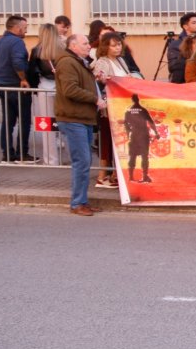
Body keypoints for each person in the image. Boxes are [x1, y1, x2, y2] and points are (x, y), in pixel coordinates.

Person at [56, 34, 106, 216]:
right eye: (85, 43)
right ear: (73, 46)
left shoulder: (79, 62)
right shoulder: (67, 62)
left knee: (84, 161)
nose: (88, 46)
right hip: (73, 118)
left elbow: (81, 84)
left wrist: (96, 80)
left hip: (82, 118)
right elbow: (70, 90)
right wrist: (95, 99)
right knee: (82, 161)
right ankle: (77, 203)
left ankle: (82, 201)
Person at [0, 15, 32, 162]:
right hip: (17, 87)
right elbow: (18, 62)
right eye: (25, 28)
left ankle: (7, 154)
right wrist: (23, 79)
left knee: (8, 122)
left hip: (3, 87)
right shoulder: (17, 42)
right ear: (17, 28)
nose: (26, 31)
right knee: (24, 121)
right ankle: (22, 153)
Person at [91, 31, 132, 188]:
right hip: (108, 107)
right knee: (107, 140)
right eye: (113, 45)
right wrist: (120, 80)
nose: (117, 48)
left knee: (120, 140)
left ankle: (115, 174)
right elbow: (101, 78)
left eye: (119, 44)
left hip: (122, 105)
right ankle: (103, 175)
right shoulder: (102, 62)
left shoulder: (121, 60)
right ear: (106, 47)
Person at [27, 23, 63, 165]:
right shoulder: (63, 49)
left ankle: (51, 159)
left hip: (45, 88)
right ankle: (71, 158)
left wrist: (33, 87)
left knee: (47, 124)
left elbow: (32, 72)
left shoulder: (37, 50)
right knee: (65, 122)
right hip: (62, 88)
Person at [122, 95, 159, 184]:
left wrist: (128, 134)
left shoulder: (128, 111)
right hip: (143, 135)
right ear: (138, 100)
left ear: (132, 100)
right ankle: (145, 176)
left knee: (132, 156)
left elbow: (126, 124)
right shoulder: (143, 110)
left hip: (134, 135)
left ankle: (131, 177)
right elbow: (150, 122)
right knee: (144, 156)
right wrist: (156, 132)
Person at [167, 12, 196, 83]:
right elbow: (174, 66)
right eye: (194, 23)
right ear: (185, 26)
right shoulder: (176, 44)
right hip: (184, 82)